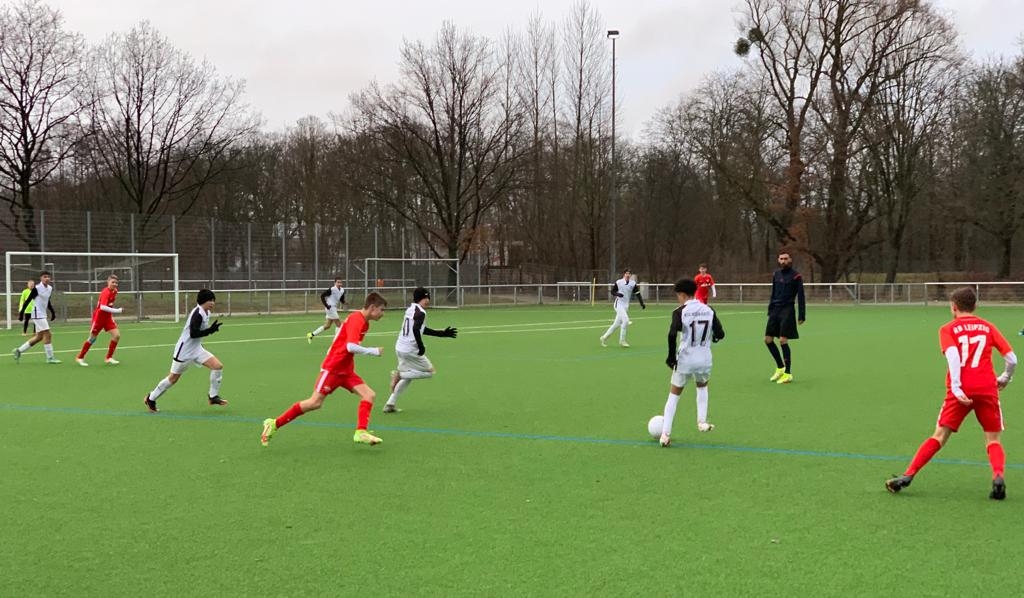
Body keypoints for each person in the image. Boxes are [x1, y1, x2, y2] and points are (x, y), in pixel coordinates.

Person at [886, 287, 1016, 499]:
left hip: (961, 390)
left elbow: (954, 356)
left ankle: (908, 475)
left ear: (954, 307)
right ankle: (998, 477)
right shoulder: (988, 327)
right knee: (993, 439)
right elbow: (1012, 359)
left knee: (939, 436)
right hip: (987, 387)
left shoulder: (948, 329)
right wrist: (1005, 378)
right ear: (975, 306)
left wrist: (956, 386)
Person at [262, 293, 389, 447]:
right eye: (382, 310)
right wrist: (373, 351)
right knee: (314, 403)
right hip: (333, 369)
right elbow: (350, 346)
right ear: (372, 307)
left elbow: (342, 340)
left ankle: (361, 432)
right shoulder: (357, 319)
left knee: (369, 395)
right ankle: (274, 424)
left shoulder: (364, 322)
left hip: (346, 370)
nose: (383, 313)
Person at [658, 279, 725, 447]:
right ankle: (702, 422)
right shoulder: (709, 310)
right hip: (704, 359)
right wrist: (714, 337)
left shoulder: (679, 312)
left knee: (674, 395)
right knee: (702, 387)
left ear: (682, 294)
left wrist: (671, 357)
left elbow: (672, 334)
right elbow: (720, 334)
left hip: (686, 359)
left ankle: (665, 434)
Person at [143, 289, 227, 412]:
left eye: (213, 300)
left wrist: (210, 330)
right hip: (184, 351)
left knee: (217, 366)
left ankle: (213, 396)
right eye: (210, 300)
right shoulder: (198, 314)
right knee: (173, 378)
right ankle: (151, 398)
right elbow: (193, 333)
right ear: (203, 301)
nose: (212, 303)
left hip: (196, 349)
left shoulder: (206, 312)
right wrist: (210, 331)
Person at [383, 287, 458, 413]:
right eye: (425, 298)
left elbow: (421, 329)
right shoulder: (421, 312)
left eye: (428, 298)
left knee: (410, 375)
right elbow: (415, 329)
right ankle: (399, 375)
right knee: (430, 372)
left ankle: (390, 404)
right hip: (409, 350)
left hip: (400, 347)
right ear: (420, 298)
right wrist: (421, 346)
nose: (427, 300)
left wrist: (442, 334)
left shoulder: (411, 309)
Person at [764, 252, 805, 384]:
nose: (783, 261)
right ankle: (780, 367)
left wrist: (802, 315)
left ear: (790, 260)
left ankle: (788, 373)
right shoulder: (776, 274)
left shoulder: (796, 276)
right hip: (775, 309)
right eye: (781, 259)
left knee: (782, 340)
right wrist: (770, 308)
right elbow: (773, 293)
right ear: (778, 260)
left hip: (787, 310)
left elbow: (801, 296)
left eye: (786, 259)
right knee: (768, 340)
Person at [76, 274, 124, 366]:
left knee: (116, 335)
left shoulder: (115, 291)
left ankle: (109, 358)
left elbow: (109, 304)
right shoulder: (106, 292)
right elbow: (102, 307)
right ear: (108, 282)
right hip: (99, 318)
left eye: (116, 283)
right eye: (113, 282)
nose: (114, 284)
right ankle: (80, 357)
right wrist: (117, 310)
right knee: (92, 338)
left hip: (108, 318)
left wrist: (111, 314)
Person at [12, 271, 59, 364]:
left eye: (48, 277)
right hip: (37, 314)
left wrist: (52, 312)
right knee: (48, 334)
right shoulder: (37, 288)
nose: (47, 278)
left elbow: (47, 302)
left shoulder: (50, 288)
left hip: (43, 314)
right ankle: (50, 358)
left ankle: (18, 351)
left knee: (39, 337)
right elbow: (28, 300)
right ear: (41, 278)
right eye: (45, 277)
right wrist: (21, 313)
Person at [600, 268, 646, 348]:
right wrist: (618, 294)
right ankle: (622, 341)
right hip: (618, 304)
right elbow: (612, 291)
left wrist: (641, 303)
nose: (628, 275)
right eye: (626, 273)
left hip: (625, 306)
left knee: (616, 324)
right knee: (626, 320)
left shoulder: (632, 283)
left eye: (629, 273)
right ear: (624, 274)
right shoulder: (619, 282)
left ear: (630, 275)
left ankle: (603, 338)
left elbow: (637, 293)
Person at [307, 277, 346, 343]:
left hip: (333, 308)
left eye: (340, 282)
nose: (339, 284)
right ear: (335, 283)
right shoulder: (332, 289)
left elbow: (341, 298)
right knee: (339, 325)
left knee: (327, 326)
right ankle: (335, 342)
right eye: (338, 282)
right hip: (330, 308)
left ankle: (311, 335)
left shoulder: (342, 290)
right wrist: (326, 305)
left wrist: (344, 302)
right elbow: (322, 296)